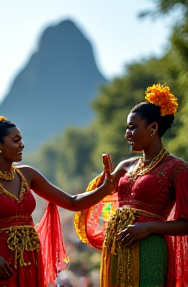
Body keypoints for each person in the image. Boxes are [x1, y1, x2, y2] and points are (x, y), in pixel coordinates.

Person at [0, 108, 122, 287]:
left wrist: (105, 189)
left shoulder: (28, 175)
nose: (22, 145)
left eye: (21, 140)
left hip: (30, 262)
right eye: (16, 141)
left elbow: (72, 202)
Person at [74, 83, 188, 286]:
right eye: (127, 128)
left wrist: (149, 227)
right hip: (117, 247)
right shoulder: (124, 167)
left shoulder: (177, 169)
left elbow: (186, 223)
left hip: (150, 248)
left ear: (153, 128)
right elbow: (97, 201)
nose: (127, 133)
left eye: (133, 127)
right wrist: (103, 189)